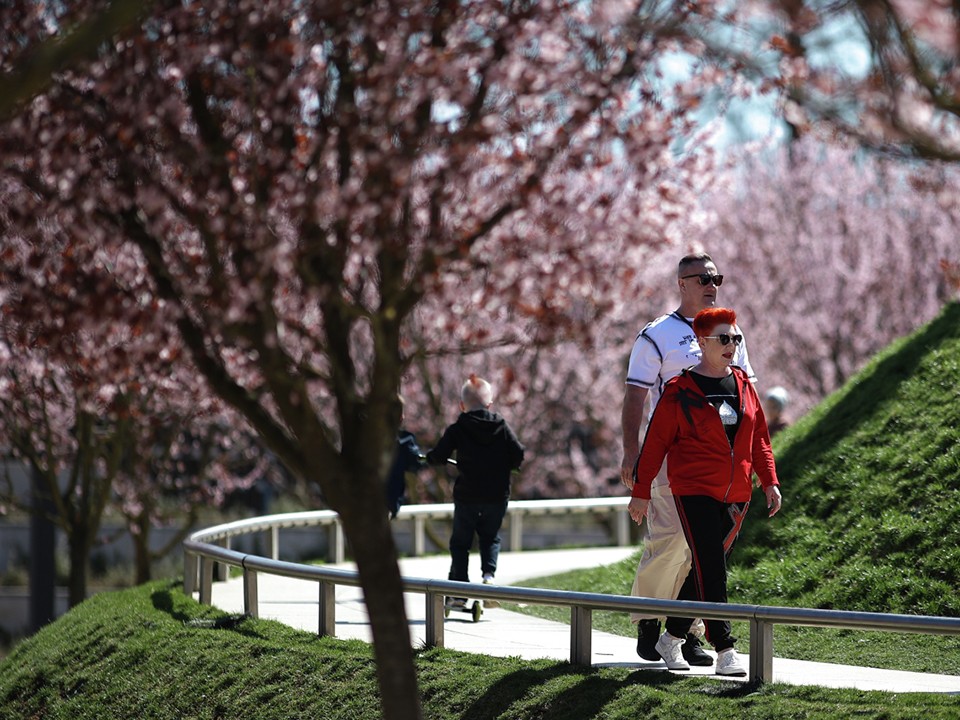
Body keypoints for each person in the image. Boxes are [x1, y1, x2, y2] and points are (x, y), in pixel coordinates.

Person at [627, 307, 782, 676]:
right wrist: (642, 490)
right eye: (723, 339)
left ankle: (672, 637)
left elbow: (759, 437)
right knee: (713, 567)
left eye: (736, 339)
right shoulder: (680, 391)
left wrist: (770, 480)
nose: (732, 345)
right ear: (701, 341)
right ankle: (725, 647)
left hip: (737, 491)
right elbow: (655, 444)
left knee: (704, 568)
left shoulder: (744, 384)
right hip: (692, 487)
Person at [620, 252, 756, 667]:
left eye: (716, 276)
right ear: (682, 284)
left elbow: (747, 392)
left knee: (704, 549)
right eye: (702, 278)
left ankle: (686, 632)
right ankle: (649, 618)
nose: (711, 284)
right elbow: (635, 396)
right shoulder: (656, 334)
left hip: (718, 462)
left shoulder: (730, 334)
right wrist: (632, 453)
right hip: (669, 455)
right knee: (670, 541)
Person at [427, 375, 525, 607]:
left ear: (462, 405)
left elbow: (439, 455)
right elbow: (518, 453)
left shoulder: (458, 428)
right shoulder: (501, 425)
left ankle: (459, 592)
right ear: (490, 404)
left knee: (460, 543)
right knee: (490, 537)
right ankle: (488, 578)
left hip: (467, 495)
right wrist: (509, 465)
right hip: (496, 495)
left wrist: (431, 458)